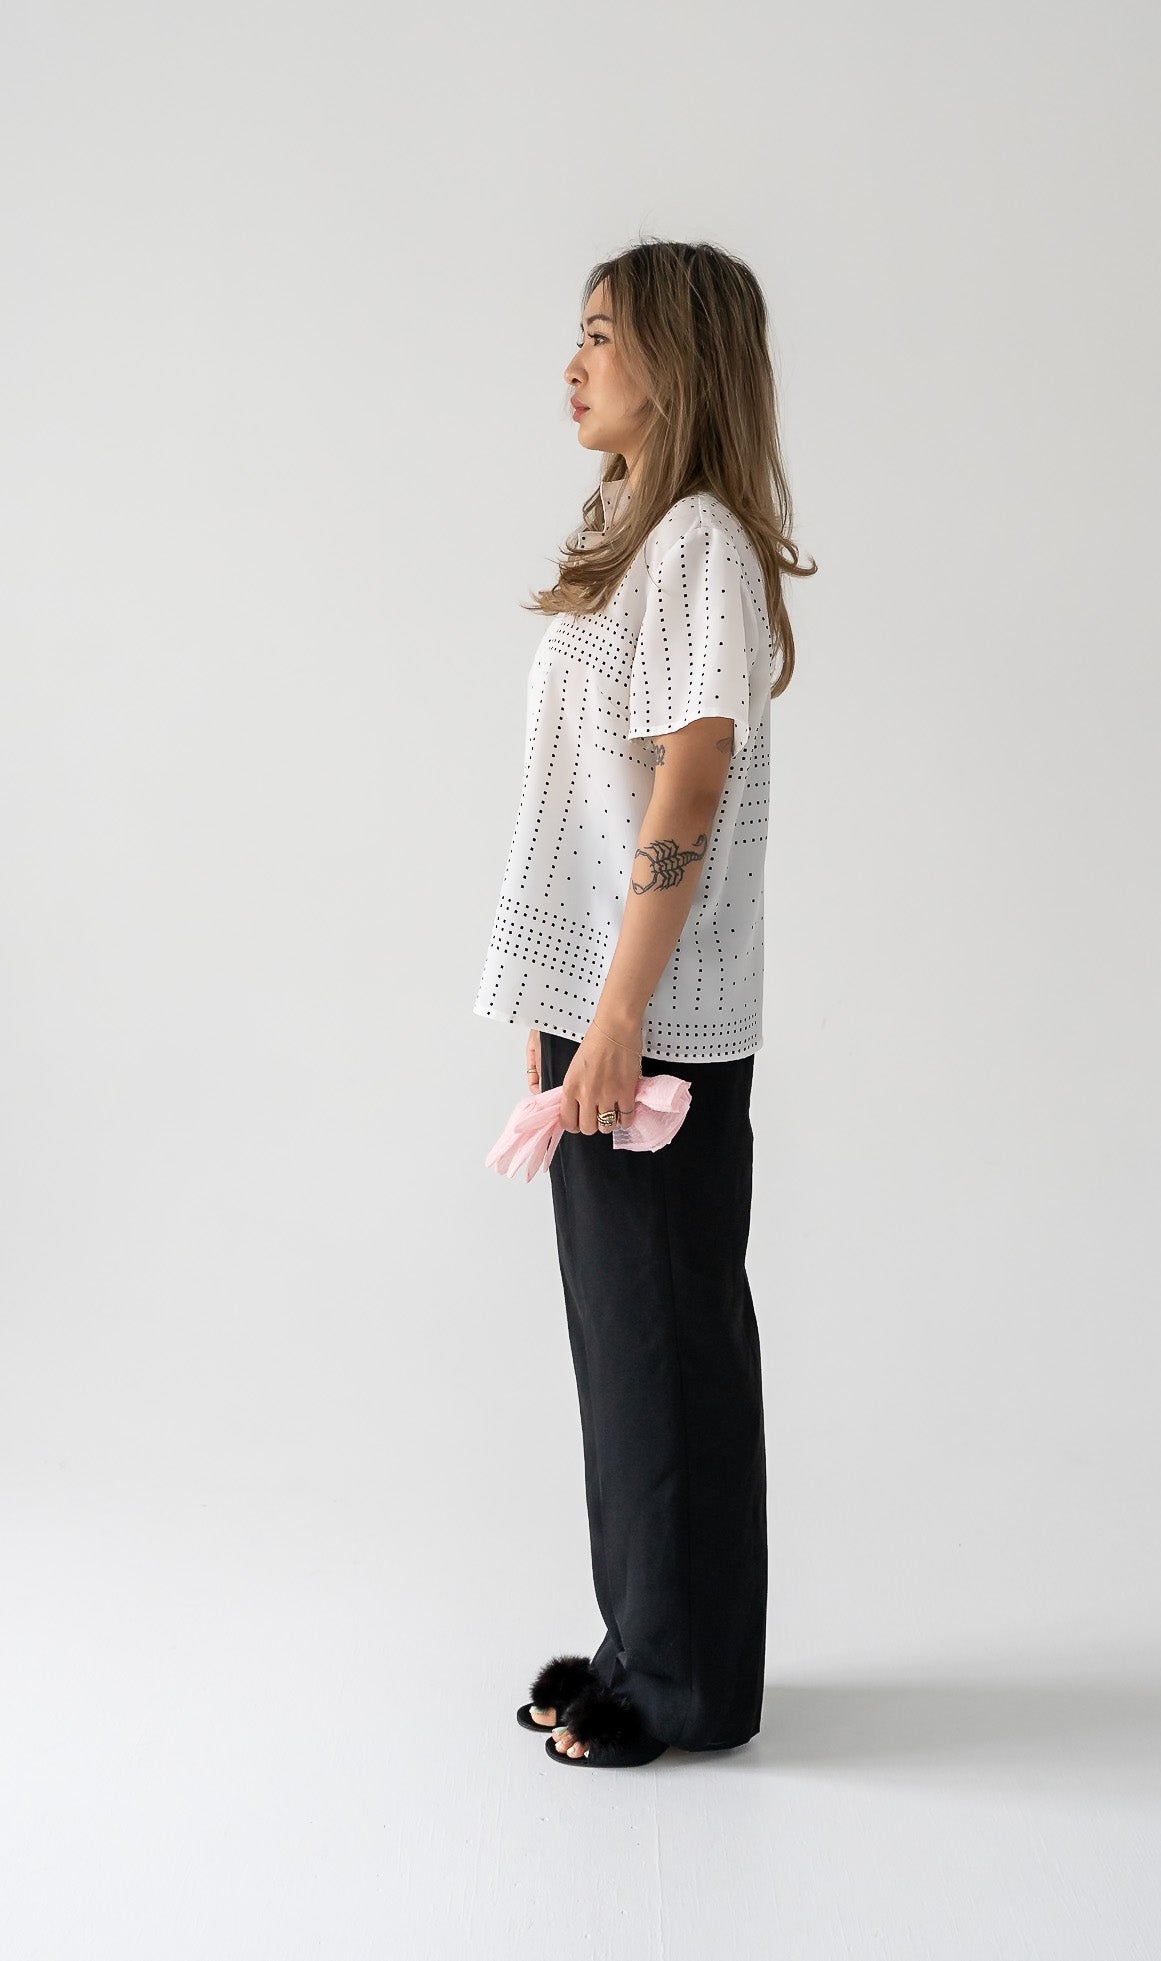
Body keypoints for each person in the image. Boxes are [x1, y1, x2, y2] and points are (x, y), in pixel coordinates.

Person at [473, 239, 816, 1769]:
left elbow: (692, 770)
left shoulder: (698, 549)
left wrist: (616, 1012)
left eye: (601, 336)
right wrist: (574, 1007)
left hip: (650, 1019)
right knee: (626, 1343)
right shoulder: (641, 532)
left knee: (665, 1339)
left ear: (676, 361)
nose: (574, 361)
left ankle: (685, 1686)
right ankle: (642, 1641)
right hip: (602, 1007)